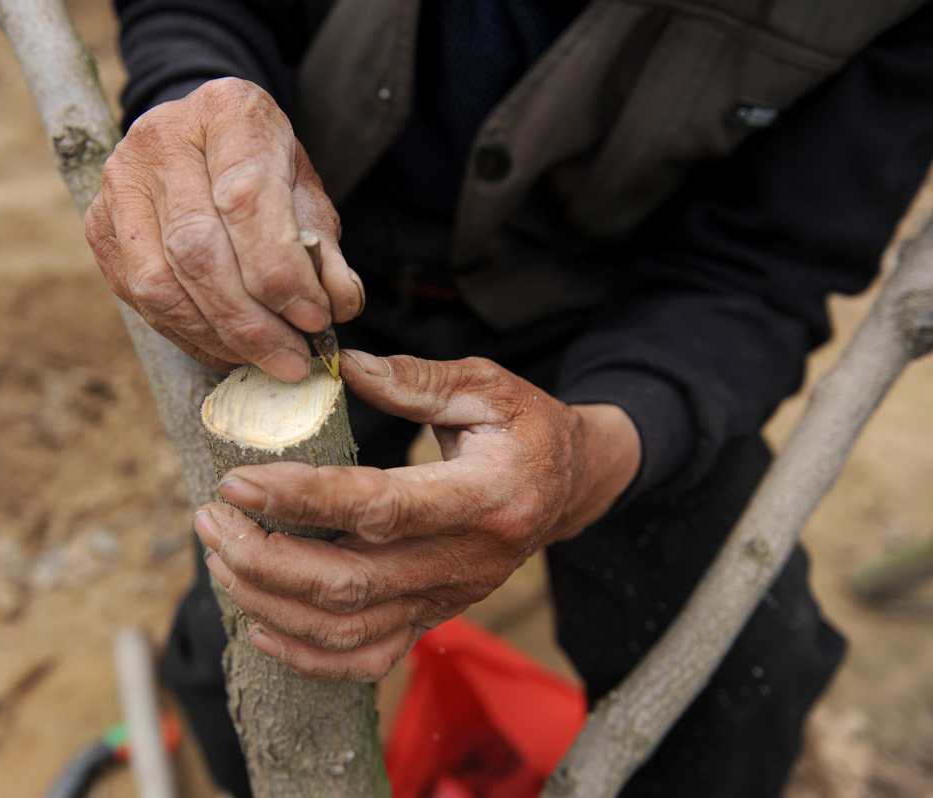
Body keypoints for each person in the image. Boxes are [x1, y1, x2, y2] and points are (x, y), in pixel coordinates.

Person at [84, 2, 933, 796]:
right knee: (245, 649)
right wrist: (193, 103)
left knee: (741, 685)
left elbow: (769, 260)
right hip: (307, 265)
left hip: (625, 309)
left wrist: (599, 447)